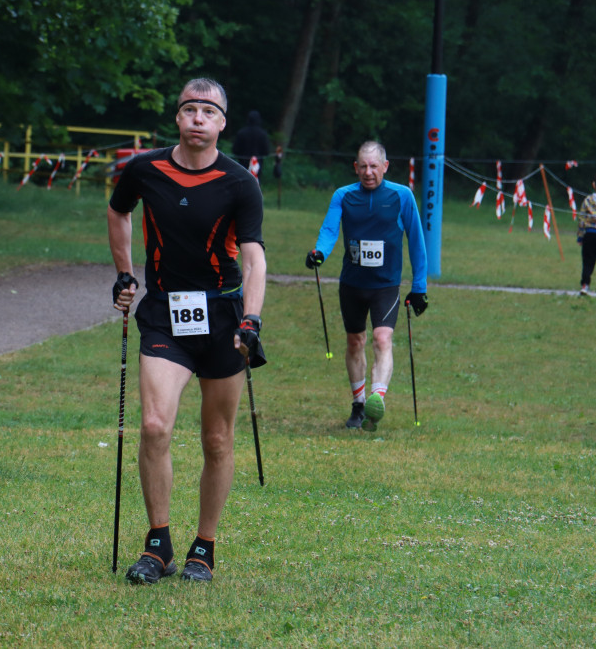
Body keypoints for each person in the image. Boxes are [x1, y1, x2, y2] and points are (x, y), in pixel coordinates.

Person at [108, 78, 267, 584]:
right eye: (189, 110)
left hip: (223, 318)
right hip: (165, 313)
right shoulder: (144, 168)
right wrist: (125, 273)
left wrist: (252, 317)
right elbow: (118, 211)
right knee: (155, 425)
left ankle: (205, 546)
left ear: (222, 123)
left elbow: (254, 256)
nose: (198, 118)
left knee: (216, 439)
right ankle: (158, 545)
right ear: (177, 118)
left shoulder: (240, 182)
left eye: (209, 111)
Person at [305, 141, 427, 432]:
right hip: (352, 285)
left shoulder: (402, 196)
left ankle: (377, 398)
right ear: (355, 167)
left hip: (386, 286)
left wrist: (419, 286)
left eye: (375, 166)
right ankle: (359, 405)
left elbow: (417, 241)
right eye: (364, 166)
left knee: (382, 339)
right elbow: (330, 229)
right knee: (355, 342)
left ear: (385, 167)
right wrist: (319, 252)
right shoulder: (344, 196)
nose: (369, 172)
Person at [231, 110, 272, 181]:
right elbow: (266, 151)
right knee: (256, 184)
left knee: (243, 183)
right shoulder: (262, 134)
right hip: (258, 164)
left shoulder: (242, 133)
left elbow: (235, 150)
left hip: (243, 164)